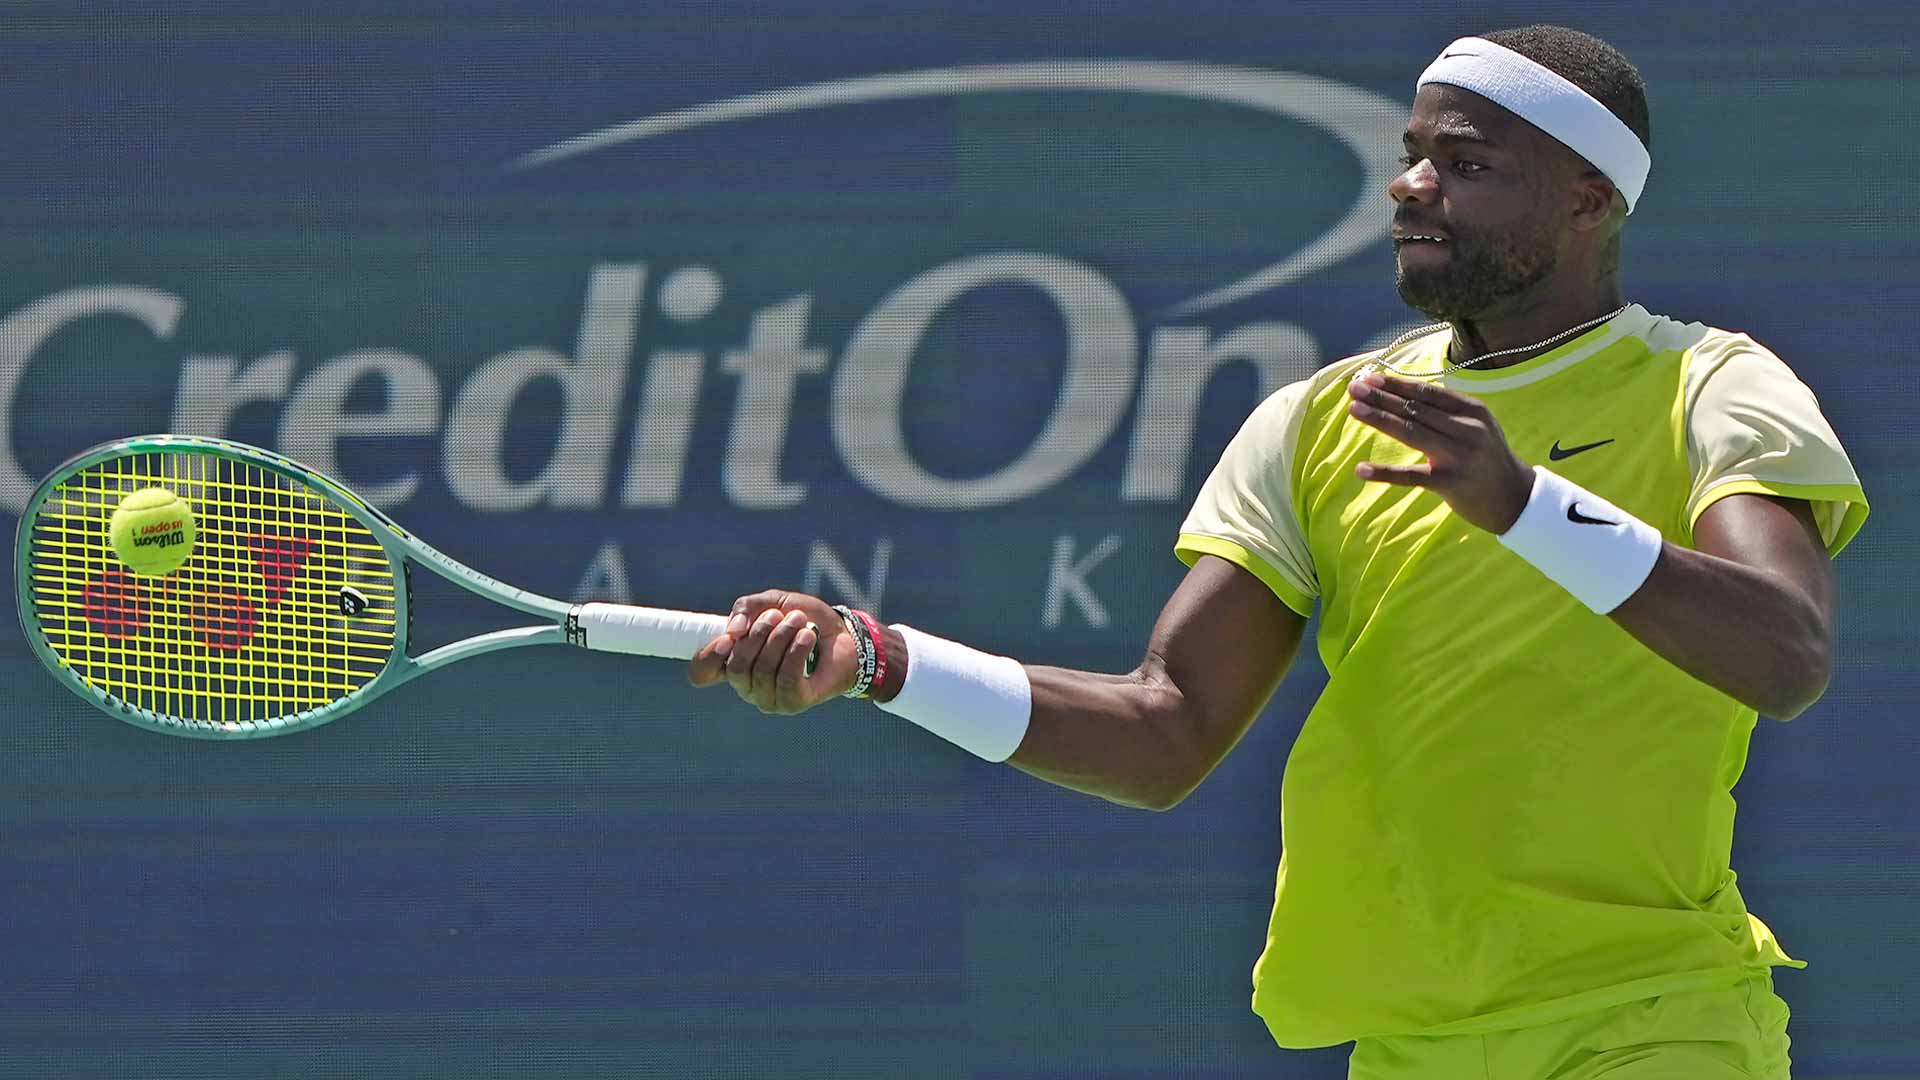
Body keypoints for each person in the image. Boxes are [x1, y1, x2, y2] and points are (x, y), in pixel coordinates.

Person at [688, 25, 1868, 1079]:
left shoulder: (1712, 385)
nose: (1411, 185)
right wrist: (882, 659)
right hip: (1409, 1042)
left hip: (1649, 1021)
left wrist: (1525, 506)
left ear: (1586, 199)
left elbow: (1786, 653)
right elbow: (1164, 731)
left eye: (1467, 164)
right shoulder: (1319, 421)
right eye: (1414, 152)